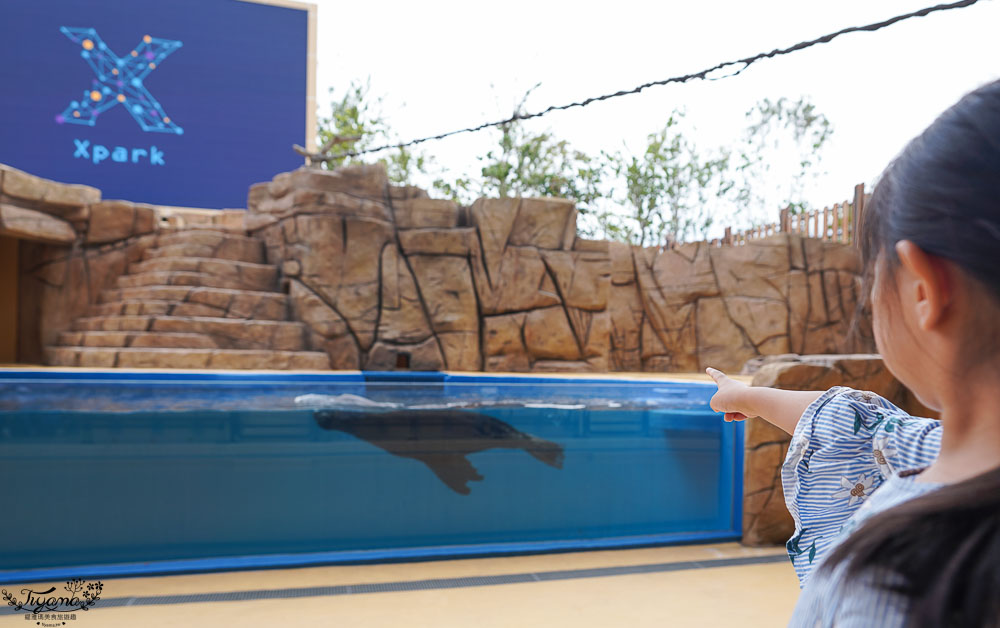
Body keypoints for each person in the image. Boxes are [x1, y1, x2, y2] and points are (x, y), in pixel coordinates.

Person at [706, 78, 1000, 627]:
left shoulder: (885, 579)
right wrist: (748, 394)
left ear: (922, 290)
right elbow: (858, 426)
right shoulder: (935, 447)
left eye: (873, 276)